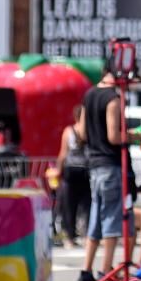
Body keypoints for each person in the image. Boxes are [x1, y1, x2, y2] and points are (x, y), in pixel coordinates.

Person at [76, 69, 141, 281]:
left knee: (96, 218)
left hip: (94, 166)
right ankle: (106, 270)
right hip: (111, 165)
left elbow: (82, 133)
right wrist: (138, 136)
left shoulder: (89, 94)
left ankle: (86, 270)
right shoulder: (112, 98)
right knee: (112, 218)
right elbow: (114, 136)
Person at [49, 105, 90, 249]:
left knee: (69, 206)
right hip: (86, 171)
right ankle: (86, 236)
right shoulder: (89, 132)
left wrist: (58, 170)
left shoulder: (69, 131)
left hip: (70, 171)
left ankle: (70, 237)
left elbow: (63, 153)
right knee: (86, 206)